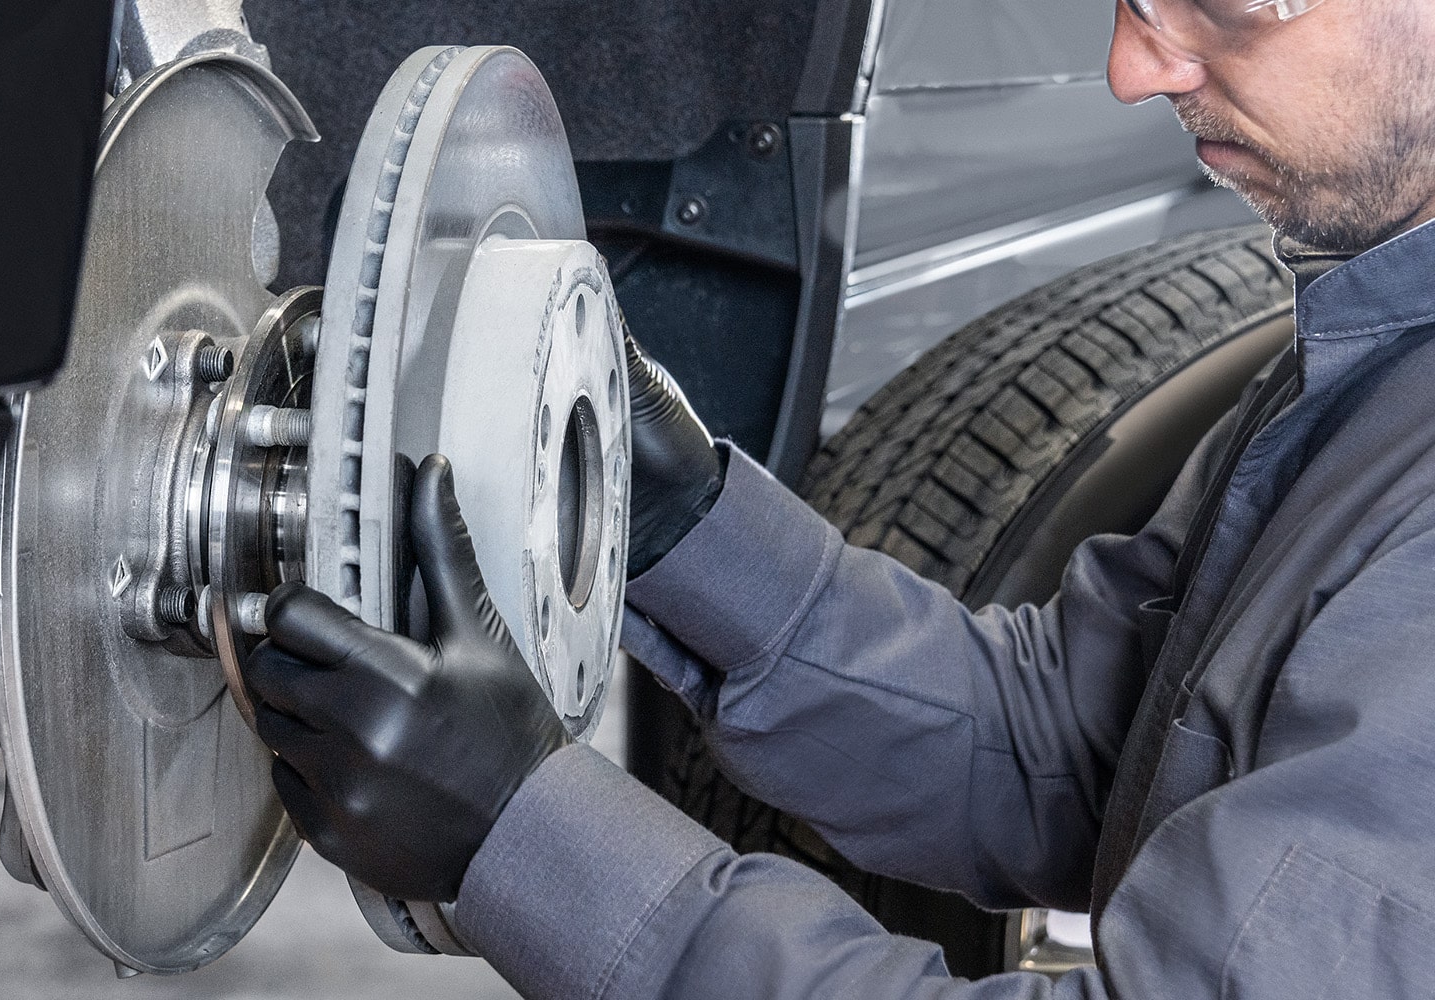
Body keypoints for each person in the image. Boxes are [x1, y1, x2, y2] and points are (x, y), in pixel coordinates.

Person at [241, 0, 1435, 995]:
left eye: (1219, 4)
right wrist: (688, 533)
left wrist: (526, 830)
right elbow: (1065, 750)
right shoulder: (1375, 357)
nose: (1131, 68)